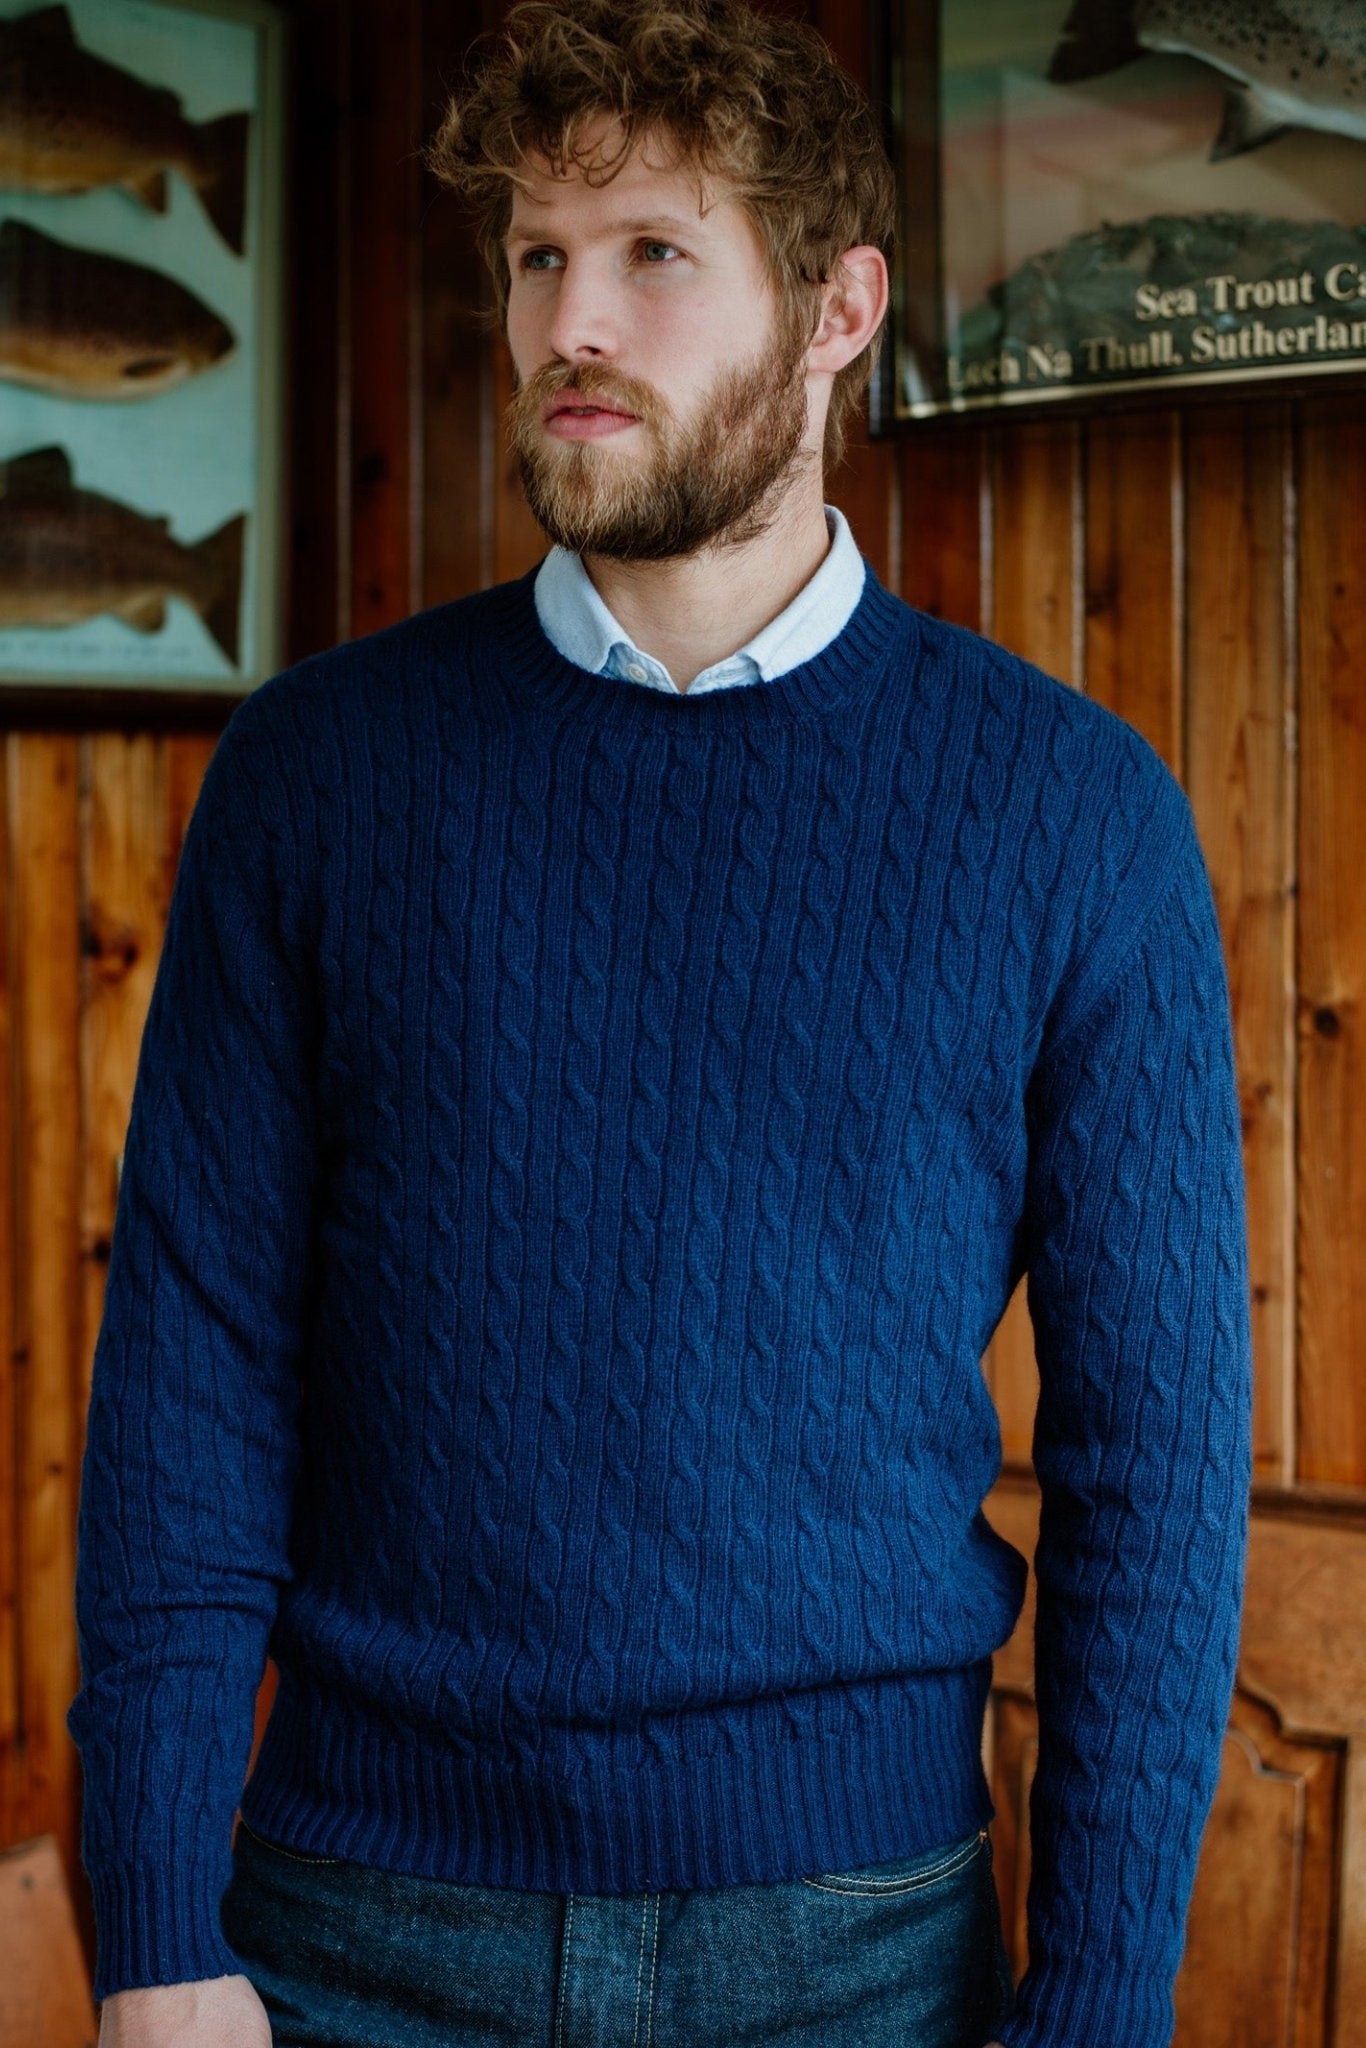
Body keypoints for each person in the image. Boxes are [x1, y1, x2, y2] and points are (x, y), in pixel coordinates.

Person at [69, 2, 1253, 2044]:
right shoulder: (318, 778)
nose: (565, 324)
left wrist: (1101, 2007)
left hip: (857, 1946)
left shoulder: (1069, 814)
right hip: (353, 1925)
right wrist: (159, 1933)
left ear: (835, 309)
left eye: (650, 254)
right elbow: (192, 1371)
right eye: (535, 256)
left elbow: (1155, 1466)